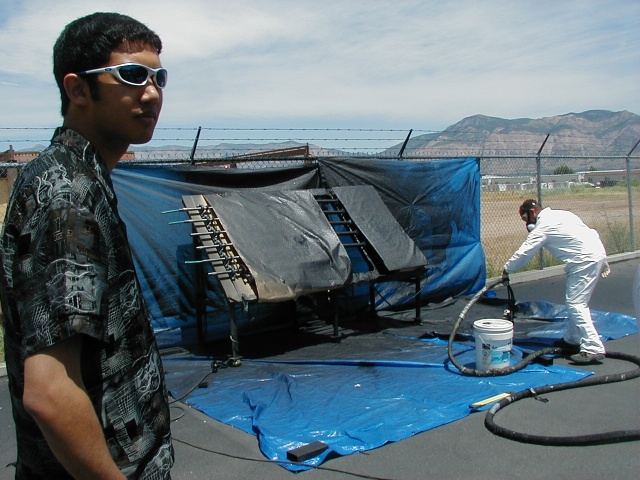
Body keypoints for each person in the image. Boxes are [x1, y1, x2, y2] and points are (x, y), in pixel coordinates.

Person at [0, 12, 174, 479]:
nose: (152, 92)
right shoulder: (69, 198)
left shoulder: (83, 178)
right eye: (132, 75)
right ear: (77, 90)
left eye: (159, 77)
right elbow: (49, 392)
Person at [502, 199, 609, 364]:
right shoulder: (562, 214)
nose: (527, 224)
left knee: (576, 304)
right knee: (577, 302)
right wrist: (603, 260)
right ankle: (572, 339)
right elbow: (588, 234)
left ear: (532, 213)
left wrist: (507, 269)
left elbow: (525, 252)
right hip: (593, 255)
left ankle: (593, 347)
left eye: (525, 219)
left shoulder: (544, 226)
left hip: (583, 261)